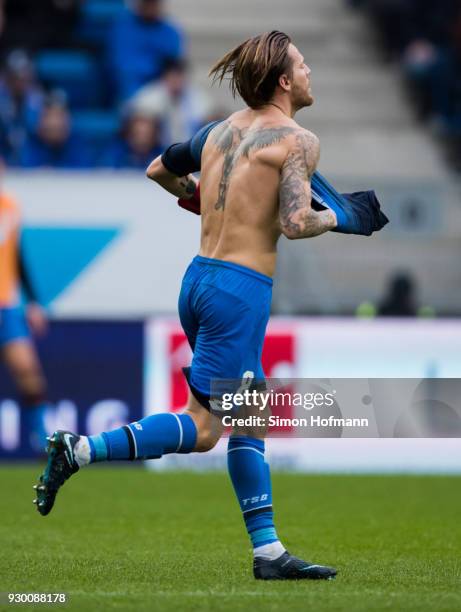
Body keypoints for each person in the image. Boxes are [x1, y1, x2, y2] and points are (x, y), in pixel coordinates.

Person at [34, 31, 387, 579]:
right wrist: (348, 216)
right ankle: (79, 449)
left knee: (251, 412)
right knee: (202, 429)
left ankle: (268, 551)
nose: (311, 69)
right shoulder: (297, 140)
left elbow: (158, 169)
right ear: (285, 81)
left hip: (197, 281)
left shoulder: (217, 131)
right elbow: (296, 223)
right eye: (302, 63)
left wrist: (206, 202)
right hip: (238, 292)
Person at [0, 159, 49, 451]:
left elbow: (17, 256)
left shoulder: (10, 207)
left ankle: (42, 441)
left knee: (28, 371)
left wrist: (32, 302)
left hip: (7, 306)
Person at [106, 0, 184, 102]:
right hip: (131, 92)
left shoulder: (170, 32)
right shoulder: (121, 28)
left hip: (162, 91)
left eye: (154, 2)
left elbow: (174, 67)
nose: (151, 6)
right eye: (147, 2)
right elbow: (123, 68)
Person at [127, 57, 215, 144]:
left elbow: (208, 117)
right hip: (158, 151)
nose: (176, 81)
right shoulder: (149, 96)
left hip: (189, 150)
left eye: (179, 76)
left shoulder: (196, 97)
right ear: (164, 77)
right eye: (172, 76)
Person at [19, 94, 90, 169]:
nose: (54, 123)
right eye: (49, 116)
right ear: (40, 120)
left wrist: (55, 172)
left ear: (68, 119)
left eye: (59, 116)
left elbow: (83, 171)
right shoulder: (30, 144)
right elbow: (25, 170)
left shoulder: (77, 143)